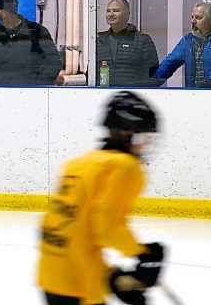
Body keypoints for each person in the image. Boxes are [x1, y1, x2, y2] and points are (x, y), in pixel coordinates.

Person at [38, 91, 165, 305]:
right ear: (127, 132)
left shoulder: (78, 164)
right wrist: (143, 253)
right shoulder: (124, 167)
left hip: (51, 278)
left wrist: (110, 277)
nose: (145, 145)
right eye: (143, 137)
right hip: (79, 287)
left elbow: (72, 233)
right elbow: (106, 229)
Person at [0, 0, 62, 85]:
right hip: (3, 95)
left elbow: (54, 62)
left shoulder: (37, 31)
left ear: (8, 10)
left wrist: (38, 86)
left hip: (33, 95)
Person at [153, 2, 211, 88]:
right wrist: (153, 81)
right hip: (194, 95)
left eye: (198, 18)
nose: (193, 21)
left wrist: (209, 85)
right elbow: (170, 62)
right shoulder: (188, 40)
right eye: (192, 17)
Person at [96, 0, 160, 87]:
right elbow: (90, 75)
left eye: (116, 10)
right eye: (108, 11)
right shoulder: (99, 40)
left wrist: (132, 88)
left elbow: (155, 77)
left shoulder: (142, 40)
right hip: (102, 96)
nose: (111, 14)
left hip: (132, 97)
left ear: (127, 14)